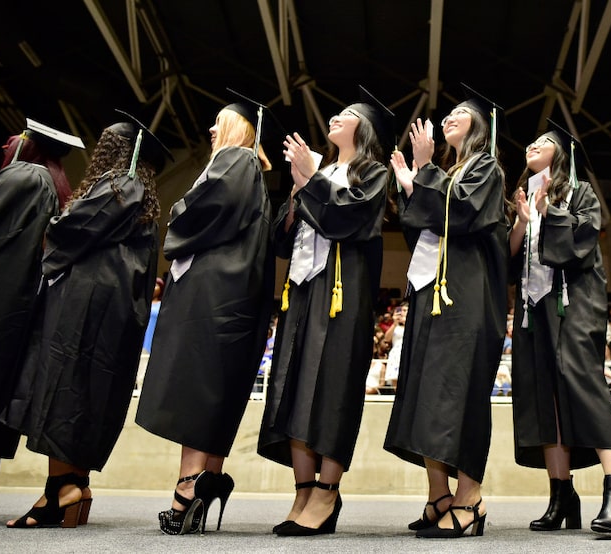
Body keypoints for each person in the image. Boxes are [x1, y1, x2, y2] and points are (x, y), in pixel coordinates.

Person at [0, 112, 169, 528]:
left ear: (118, 152)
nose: (100, 149)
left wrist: (49, 225)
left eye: (107, 143)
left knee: (68, 390)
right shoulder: (140, 195)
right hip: (106, 313)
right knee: (83, 394)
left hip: (84, 310)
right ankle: (74, 485)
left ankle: (61, 492)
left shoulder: (119, 185)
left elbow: (69, 230)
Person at [135, 95, 278, 535]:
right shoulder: (253, 173)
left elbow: (192, 213)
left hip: (212, 299)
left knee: (197, 389)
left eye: (219, 123)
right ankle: (208, 477)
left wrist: (177, 210)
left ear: (239, 129)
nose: (211, 131)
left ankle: (189, 485)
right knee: (213, 390)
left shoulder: (235, 160)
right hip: (232, 299)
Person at [257, 86, 393, 536]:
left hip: (342, 293)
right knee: (293, 384)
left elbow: (346, 221)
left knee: (333, 387)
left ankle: (327, 492)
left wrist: (310, 179)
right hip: (302, 289)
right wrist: (299, 187)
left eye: (348, 112)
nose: (337, 114)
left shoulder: (371, 173)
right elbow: (283, 239)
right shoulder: (317, 168)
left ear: (365, 128)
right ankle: (302, 490)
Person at [385, 83, 508, 539]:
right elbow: (423, 225)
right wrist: (413, 184)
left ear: (479, 125)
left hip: (466, 296)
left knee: (460, 391)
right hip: (431, 292)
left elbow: (463, 214)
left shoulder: (486, 169)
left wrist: (422, 172)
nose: (449, 115)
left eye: (461, 112)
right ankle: (439, 493)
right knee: (426, 391)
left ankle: (469, 497)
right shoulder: (452, 171)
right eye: (449, 111)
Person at [508, 118, 611, 537]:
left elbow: (583, 244)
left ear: (561, 154)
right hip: (532, 306)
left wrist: (550, 212)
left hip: (573, 301)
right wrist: (524, 220)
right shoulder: (522, 195)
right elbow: (511, 260)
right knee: (544, 393)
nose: (532, 145)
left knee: (582, 383)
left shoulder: (579, 191)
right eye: (531, 140)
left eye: (542, 142)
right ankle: (561, 494)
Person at [0, 119, 84, 522]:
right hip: (13, 319)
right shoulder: (52, 184)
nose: (7, 141)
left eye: (16, 136)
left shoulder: (24, 175)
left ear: (31, 144)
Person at [383, 301, 408, 388]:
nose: (402, 313)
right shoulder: (396, 326)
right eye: (401, 310)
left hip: (407, 353)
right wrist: (394, 323)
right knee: (395, 381)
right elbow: (387, 339)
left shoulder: (412, 325)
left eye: (405, 310)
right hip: (396, 354)